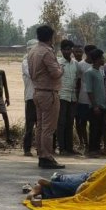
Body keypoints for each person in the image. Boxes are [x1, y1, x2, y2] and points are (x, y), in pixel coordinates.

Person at [29, 25, 64, 169]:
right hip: (49, 93)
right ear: (51, 37)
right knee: (49, 128)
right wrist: (61, 69)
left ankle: (41, 154)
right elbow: (55, 73)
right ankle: (47, 157)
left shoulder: (32, 51)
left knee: (41, 127)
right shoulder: (47, 52)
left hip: (37, 91)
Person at [84, 48, 106, 157]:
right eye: (102, 57)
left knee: (100, 128)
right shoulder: (89, 72)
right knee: (94, 128)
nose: (103, 59)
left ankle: (97, 148)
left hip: (102, 104)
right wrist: (94, 106)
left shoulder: (100, 71)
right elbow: (89, 90)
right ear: (97, 59)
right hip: (95, 106)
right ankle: (92, 150)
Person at [57, 39, 78, 155]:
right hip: (61, 95)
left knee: (70, 123)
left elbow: (77, 79)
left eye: (69, 49)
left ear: (72, 50)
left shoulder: (75, 64)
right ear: (61, 50)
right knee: (61, 123)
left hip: (72, 96)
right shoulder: (58, 63)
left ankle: (69, 148)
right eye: (65, 49)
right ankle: (62, 148)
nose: (67, 51)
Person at [74, 45, 96, 150]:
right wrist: (77, 98)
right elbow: (77, 82)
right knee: (82, 122)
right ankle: (84, 142)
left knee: (94, 123)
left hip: (95, 100)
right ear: (86, 53)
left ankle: (92, 144)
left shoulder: (98, 65)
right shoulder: (80, 65)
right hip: (83, 98)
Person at [21, 39, 38, 156]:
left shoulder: (37, 61)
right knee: (30, 125)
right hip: (31, 96)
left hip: (40, 96)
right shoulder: (25, 62)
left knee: (41, 125)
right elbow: (33, 74)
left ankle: (40, 148)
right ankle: (27, 148)